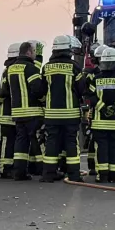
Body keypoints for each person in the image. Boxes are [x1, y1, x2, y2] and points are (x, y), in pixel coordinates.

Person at [39, 35, 83, 182]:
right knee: (71, 143)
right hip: (70, 114)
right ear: (68, 49)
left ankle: (48, 174)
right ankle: (74, 175)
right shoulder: (74, 67)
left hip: (52, 115)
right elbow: (81, 88)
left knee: (51, 143)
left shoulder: (46, 67)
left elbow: (41, 90)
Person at [89, 46, 115, 184]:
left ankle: (102, 175)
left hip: (99, 122)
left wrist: (103, 108)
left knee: (101, 148)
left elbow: (91, 96)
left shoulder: (96, 79)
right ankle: (113, 176)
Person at [4, 40, 45, 180]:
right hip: (32, 112)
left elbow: (6, 89)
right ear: (28, 52)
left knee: (21, 142)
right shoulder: (30, 68)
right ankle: (44, 170)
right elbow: (37, 89)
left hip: (17, 113)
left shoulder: (11, 69)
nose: (34, 55)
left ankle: (19, 173)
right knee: (37, 141)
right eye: (34, 52)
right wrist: (44, 100)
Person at [0, 43, 19, 177]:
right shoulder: (11, 70)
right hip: (10, 114)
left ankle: (8, 168)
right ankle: (5, 169)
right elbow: (5, 91)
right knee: (8, 142)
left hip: (8, 114)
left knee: (9, 142)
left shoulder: (7, 70)